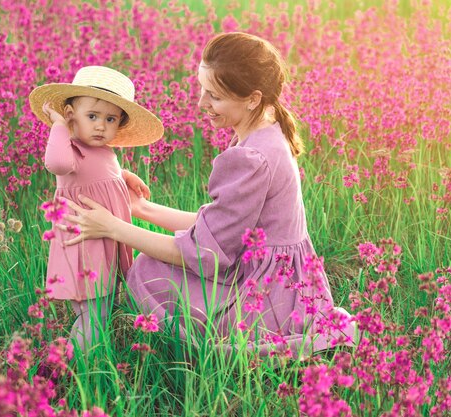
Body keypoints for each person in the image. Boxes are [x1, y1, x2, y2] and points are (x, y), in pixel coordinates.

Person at [62, 34, 356, 357]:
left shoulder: (251, 158)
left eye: (213, 96)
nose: (202, 103)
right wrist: (141, 207)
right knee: (155, 263)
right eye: (202, 89)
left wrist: (114, 228)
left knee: (147, 271)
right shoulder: (267, 132)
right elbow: (218, 226)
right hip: (287, 280)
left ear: (252, 98)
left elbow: (206, 253)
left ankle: (207, 352)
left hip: (270, 294)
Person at [28, 66, 164, 351]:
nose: (101, 126)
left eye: (110, 119)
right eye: (92, 116)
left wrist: (123, 176)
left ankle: (75, 358)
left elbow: (100, 176)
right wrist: (58, 127)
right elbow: (57, 165)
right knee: (94, 314)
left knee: (100, 308)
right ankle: (68, 366)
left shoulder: (102, 150)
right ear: (70, 117)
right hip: (85, 245)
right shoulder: (70, 150)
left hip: (103, 241)